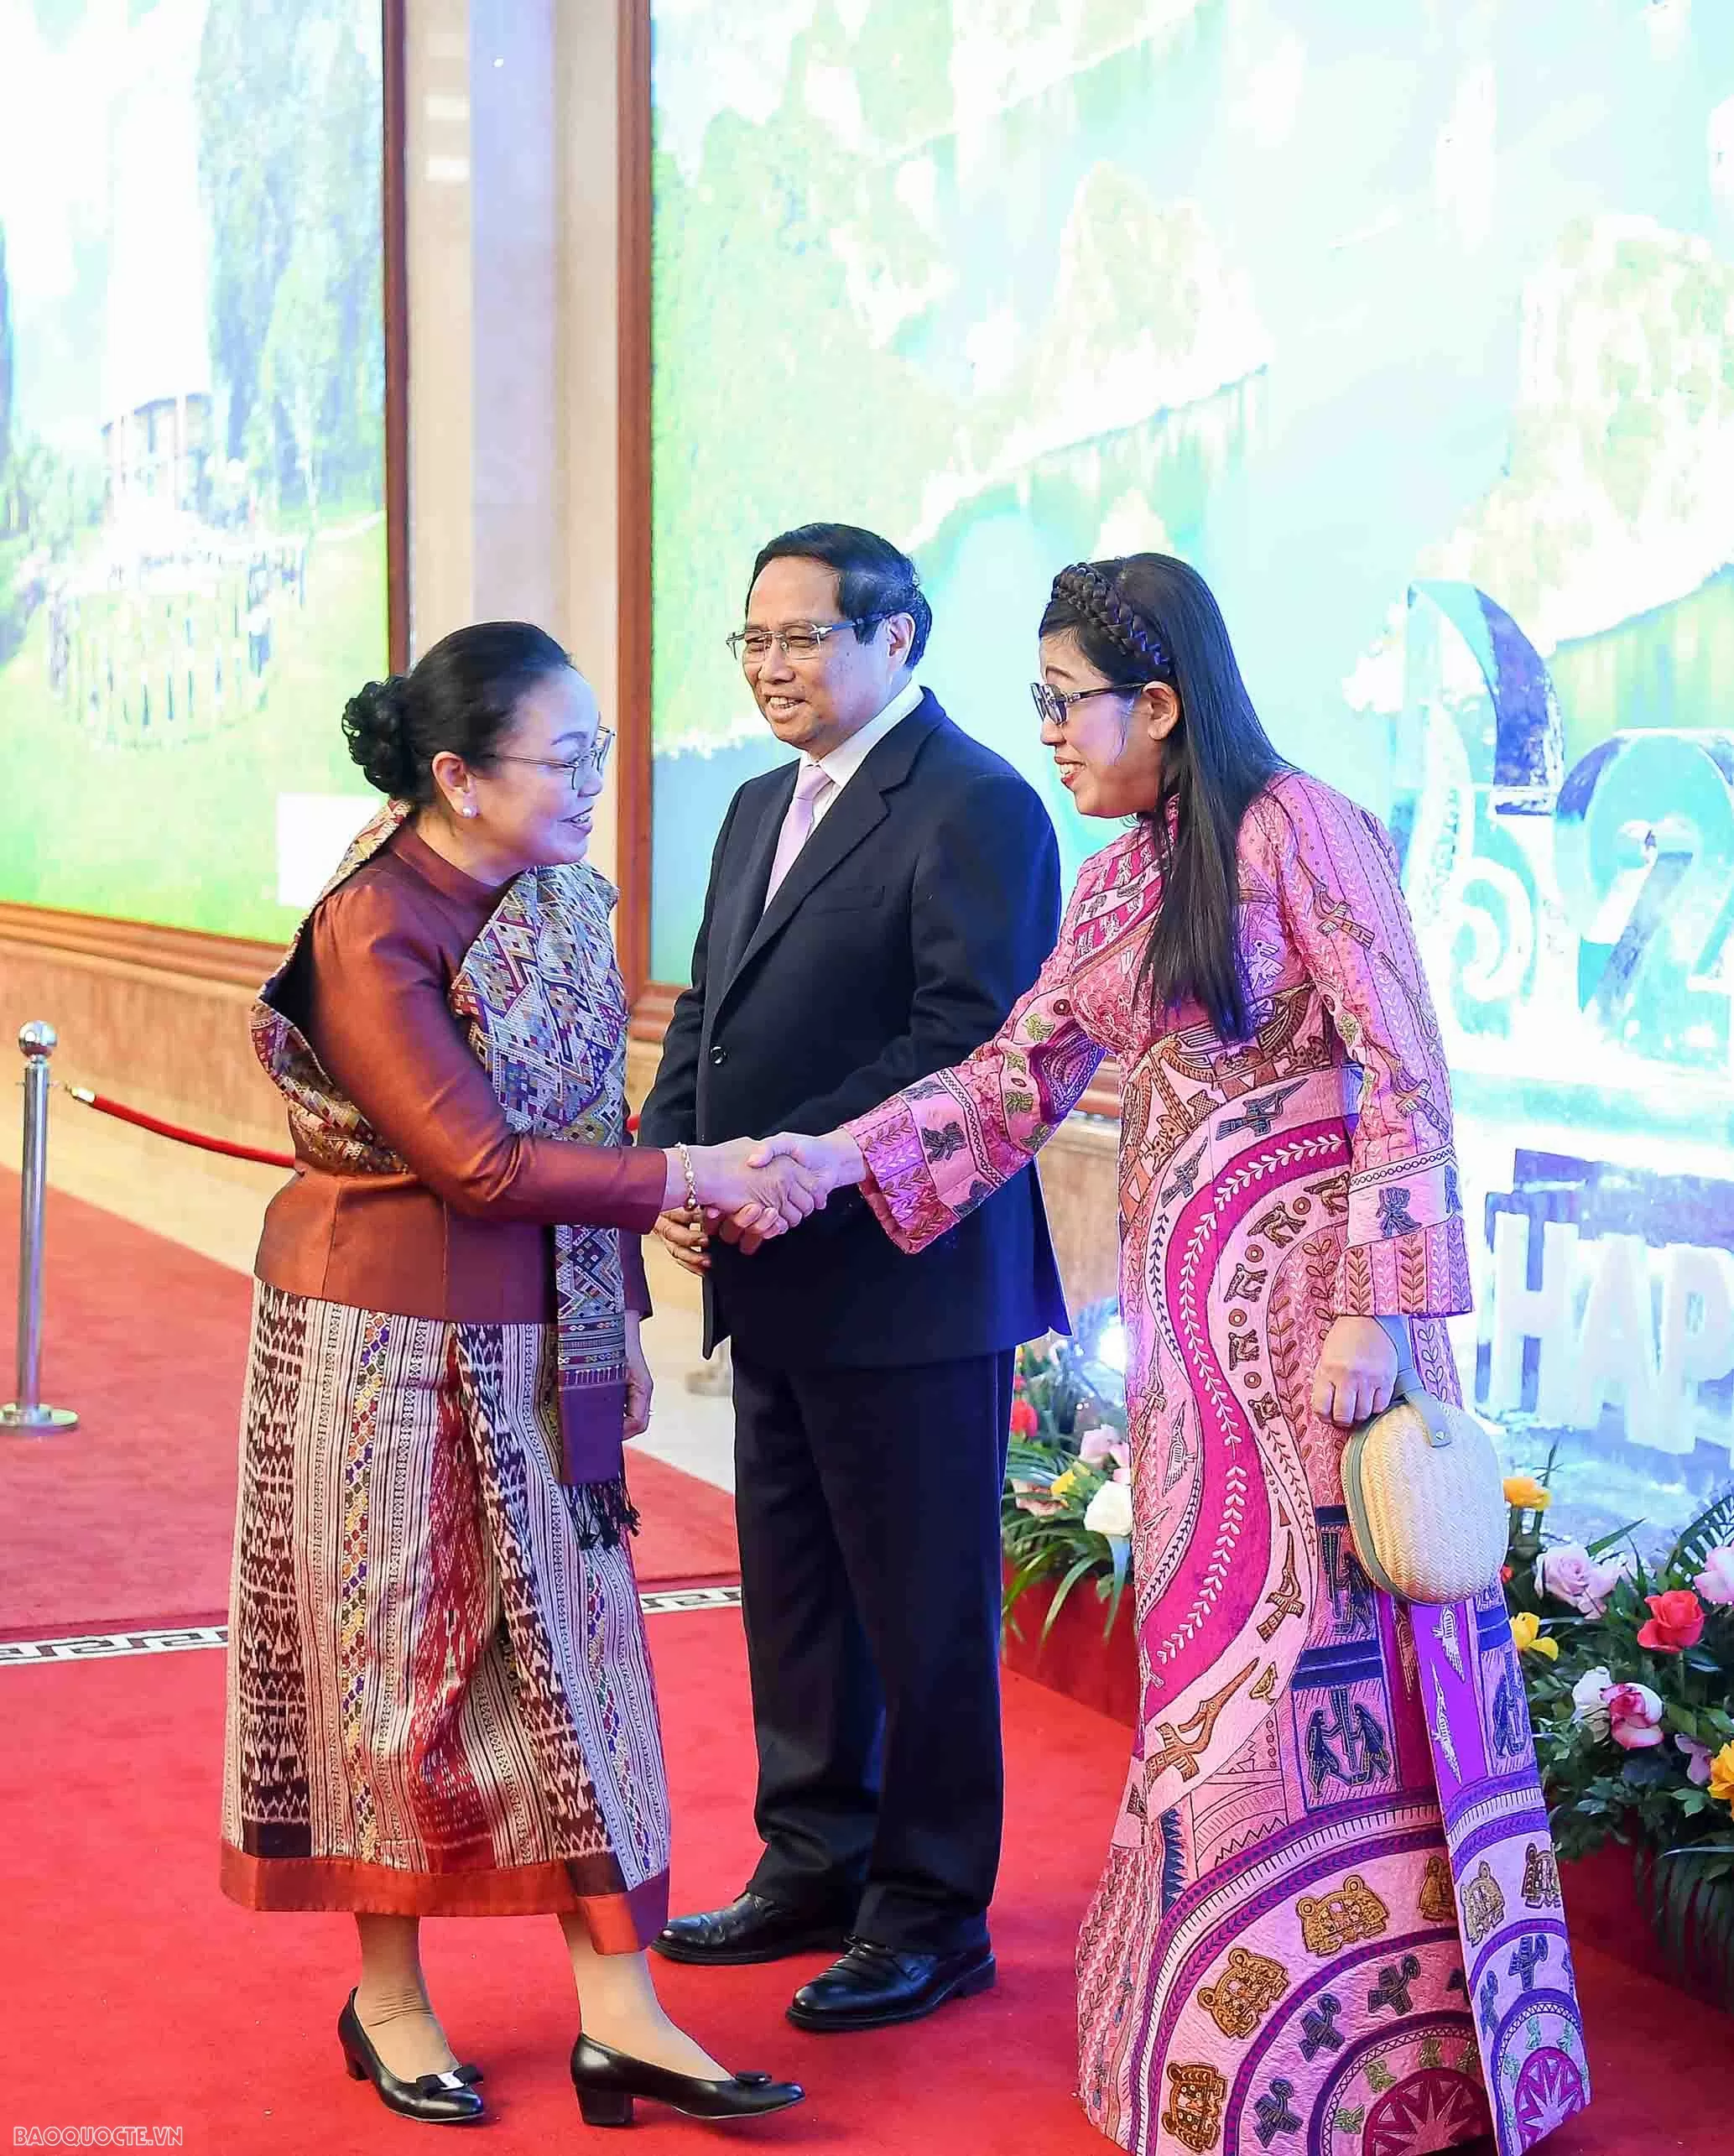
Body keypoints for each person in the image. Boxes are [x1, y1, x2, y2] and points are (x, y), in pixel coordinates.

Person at [755, 556, 1591, 2153]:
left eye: (1063, 699)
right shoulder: (1120, 880)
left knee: (1339, 1666)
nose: (1048, 730)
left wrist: (1376, 1310)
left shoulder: (1303, 827)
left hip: (1327, 1349)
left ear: (1156, 701)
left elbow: (1404, 1069)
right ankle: (1238, 2060)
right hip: (1193, 1365)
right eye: (1039, 700)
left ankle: (1391, 2070)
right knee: (1214, 1675)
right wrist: (827, 1159)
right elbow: (1009, 1080)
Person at [221, 621, 810, 2129]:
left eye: (598, 749)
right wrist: (687, 1173)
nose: (594, 781)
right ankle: (387, 1997)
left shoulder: (547, 897)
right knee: (393, 1672)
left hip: (546, 1340)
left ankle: (621, 2012)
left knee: (581, 1663)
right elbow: (478, 1164)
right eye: (566, 756)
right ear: (457, 777)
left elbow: (586, 1114)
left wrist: (624, 1296)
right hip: (378, 1349)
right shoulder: (372, 925)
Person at [637, 523, 1070, 2031]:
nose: (772, 668)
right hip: (770, 1268)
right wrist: (675, 1164)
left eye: (802, 637)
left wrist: (773, 1165)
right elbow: (707, 1009)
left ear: (898, 636)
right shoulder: (757, 801)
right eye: (753, 640)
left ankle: (932, 1908)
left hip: (907, 1277)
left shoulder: (976, 803)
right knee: (797, 1589)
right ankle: (814, 1860)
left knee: (923, 1607)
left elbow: (965, 1046)